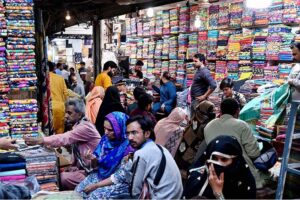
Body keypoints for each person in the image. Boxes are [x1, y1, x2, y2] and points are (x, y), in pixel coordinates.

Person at [25, 99, 101, 190]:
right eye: (66, 112)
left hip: (95, 172)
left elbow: (65, 138)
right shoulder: (79, 124)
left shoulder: (85, 127)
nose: (65, 116)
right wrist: (73, 167)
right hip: (86, 169)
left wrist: (42, 140)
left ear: (79, 114)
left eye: (69, 113)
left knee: (61, 178)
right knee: (60, 173)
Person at [204, 98, 263, 188]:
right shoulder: (241, 125)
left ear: (220, 111)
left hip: (214, 171)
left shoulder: (208, 126)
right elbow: (253, 153)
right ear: (238, 111)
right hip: (239, 175)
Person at [75, 112, 134, 199]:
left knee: (94, 197)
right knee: (79, 192)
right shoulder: (105, 140)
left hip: (118, 181)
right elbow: (97, 166)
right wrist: (93, 159)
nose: (106, 132)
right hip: (101, 175)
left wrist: (96, 186)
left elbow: (120, 176)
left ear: (121, 129)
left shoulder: (128, 148)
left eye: (110, 130)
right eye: (104, 128)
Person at [126, 116, 183, 199]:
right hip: (175, 195)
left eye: (134, 133)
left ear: (147, 134)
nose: (130, 137)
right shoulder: (159, 147)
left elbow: (135, 191)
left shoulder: (141, 153)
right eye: (128, 133)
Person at [183, 135, 256, 199]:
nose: (218, 164)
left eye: (224, 159)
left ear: (235, 161)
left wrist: (218, 194)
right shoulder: (196, 177)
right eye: (214, 158)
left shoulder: (245, 183)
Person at [48, 61, 79, 134]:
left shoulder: (42, 79)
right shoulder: (60, 78)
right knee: (59, 131)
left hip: (48, 108)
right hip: (59, 107)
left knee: (47, 133)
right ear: (53, 68)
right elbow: (65, 93)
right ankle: (58, 145)